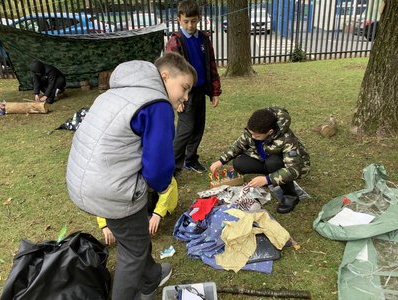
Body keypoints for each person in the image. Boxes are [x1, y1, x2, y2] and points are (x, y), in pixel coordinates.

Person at [66, 52, 197, 300]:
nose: (186, 97)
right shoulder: (157, 103)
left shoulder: (116, 92)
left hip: (85, 181)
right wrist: (161, 186)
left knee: (133, 236)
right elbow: (159, 166)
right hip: (111, 188)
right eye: (185, 87)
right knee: (133, 251)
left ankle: (151, 277)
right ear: (165, 75)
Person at [210, 107, 310, 214]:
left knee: (273, 163)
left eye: (256, 136)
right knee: (239, 163)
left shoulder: (287, 139)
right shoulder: (254, 129)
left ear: (270, 132)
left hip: (287, 164)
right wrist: (221, 161)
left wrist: (267, 179)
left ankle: (290, 196)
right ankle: (272, 176)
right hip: (265, 158)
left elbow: (294, 169)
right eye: (251, 133)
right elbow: (238, 145)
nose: (252, 137)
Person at [165, 0, 221, 174]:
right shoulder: (176, 41)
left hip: (200, 91)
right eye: (186, 21)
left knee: (198, 127)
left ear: (199, 19)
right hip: (185, 94)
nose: (190, 25)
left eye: (194, 21)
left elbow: (211, 65)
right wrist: (177, 97)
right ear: (179, 19)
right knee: (185, 129)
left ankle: (191, 159)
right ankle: (171, 167)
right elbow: (171, 72)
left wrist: (215, 91)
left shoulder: (203, 38)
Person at [97, 177, 179, 245]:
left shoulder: (153, 167)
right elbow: (102, 198)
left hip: (155, 198)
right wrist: (105, 225)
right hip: (136, 197)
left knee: (144, 228)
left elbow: (167, 189)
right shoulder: (113, 175)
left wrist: (157, 215)